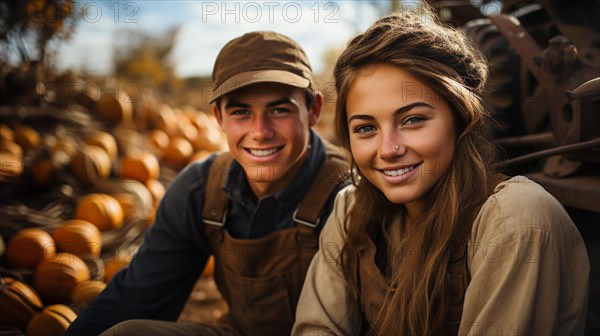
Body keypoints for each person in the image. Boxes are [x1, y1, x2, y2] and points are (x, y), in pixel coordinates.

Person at [292, 6, 590, 336]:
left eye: (414, 120)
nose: (389, 149)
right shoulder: (351, 209)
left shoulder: (516, 219)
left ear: (462, 117)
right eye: (365, 128)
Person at [64, 31, 349, 336]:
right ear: (219, 117)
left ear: (313, 110)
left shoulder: (349, 195)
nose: (261, 131)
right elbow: (134, 298)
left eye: (279, 110)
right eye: (241, 112)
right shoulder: (200, 191)